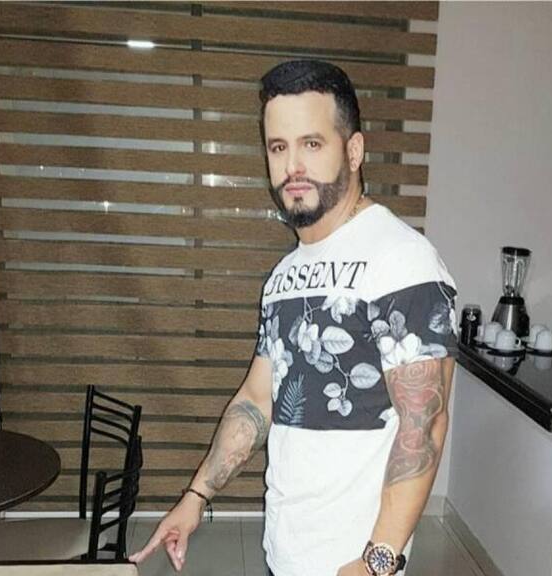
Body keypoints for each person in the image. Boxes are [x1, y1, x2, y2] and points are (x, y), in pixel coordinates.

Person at [130, 59, 457, 576]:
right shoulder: (285, 275)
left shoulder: (401, 260)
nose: (292, 166)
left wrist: (378, 561)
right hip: (286, 554)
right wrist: (196, 497)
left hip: (355, 563)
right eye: (278, 148)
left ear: (354, 150)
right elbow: (256, 400)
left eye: (312, 143)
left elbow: (425, 423)